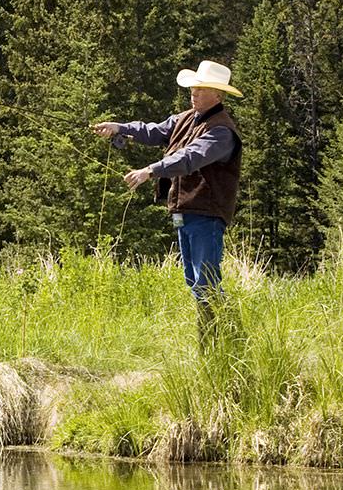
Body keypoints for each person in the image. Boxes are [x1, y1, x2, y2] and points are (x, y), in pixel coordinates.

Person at [89, 59, 243, 348]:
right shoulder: (185, 118)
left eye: (201, 89)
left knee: (205, 283)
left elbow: (190, 158)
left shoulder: (222, 132)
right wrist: (119, 127)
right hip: (186, 211)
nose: (193, 93)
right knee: (194, 280)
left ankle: (224, 344)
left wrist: (151, 170)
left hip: (207, 215)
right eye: (193, 88)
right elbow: (153, 131)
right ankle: (218, 344)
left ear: (218, 95)